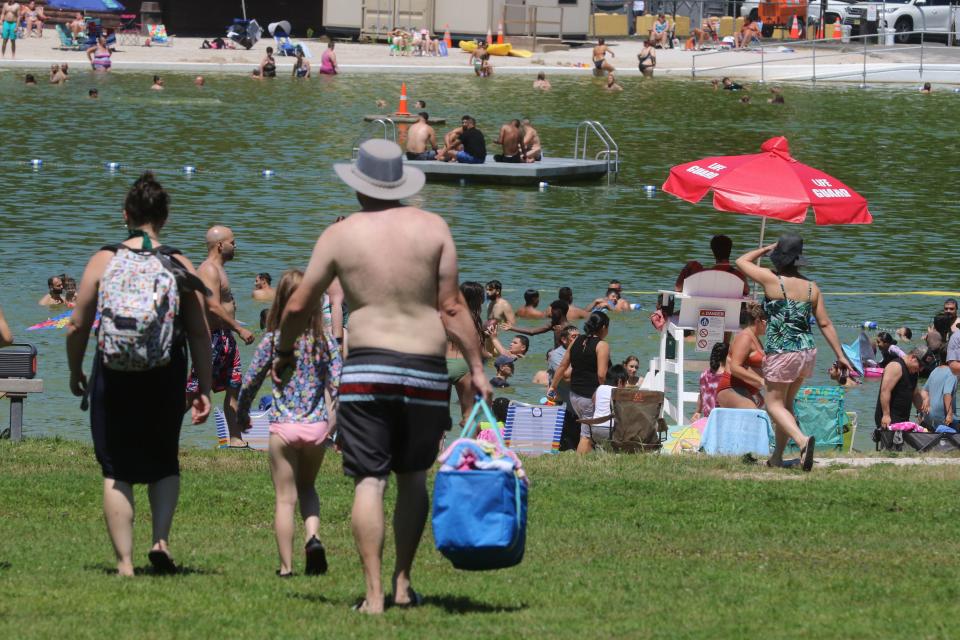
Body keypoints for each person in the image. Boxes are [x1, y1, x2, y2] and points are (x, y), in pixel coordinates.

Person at [273, 139, 490, 614]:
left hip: (367, 366)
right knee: (413, 477)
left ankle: (373, 598)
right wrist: (476, 367)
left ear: (358, 185)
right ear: (401, 185)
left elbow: (296, 304)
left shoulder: (341, 235)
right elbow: (453, 307)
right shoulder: (433, 228)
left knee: (369, 481)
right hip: (425, 368)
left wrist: (285, 352)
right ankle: (403, 585)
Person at [66, 172, 213, 577]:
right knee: (164, 460)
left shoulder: (104, 259)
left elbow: (77, 325)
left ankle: (125, 563)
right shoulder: (178, 262)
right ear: (163, 218)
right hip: (165, 373)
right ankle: (160, 541)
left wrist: (76, 369)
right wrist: (202, 384)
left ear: (125, 215)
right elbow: (200, 330)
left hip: (113, 373)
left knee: (116, 468)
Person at [237, 269, 341, 578]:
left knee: (285, 498)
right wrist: (340, 424)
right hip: (316, 428)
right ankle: (313, 537)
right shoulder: (324, 342)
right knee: (308, 488)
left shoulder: (274, 340)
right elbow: (339, 385)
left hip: (283, 428)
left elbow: (251, 381)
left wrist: (242, 413)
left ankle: (286, 567)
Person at [736, 233, 853, 471]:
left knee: (773, 405)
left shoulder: (772, 281)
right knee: (786, 405)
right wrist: (840, 355)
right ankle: (777, 457)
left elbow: (741, 261)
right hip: (807, 352)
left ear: (779, 258)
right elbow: (825, 324)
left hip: (782, 351)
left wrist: (766, 248)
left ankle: (802, 441)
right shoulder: (812, 288)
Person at [186, 226, 255, 448]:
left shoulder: (220, 269)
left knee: (234, 388)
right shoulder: (209, 270)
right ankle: (158, 433)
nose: (235, 246)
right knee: (193, 394)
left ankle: (236, 440)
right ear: (219, 245)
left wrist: (232, 331)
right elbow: (212, 306)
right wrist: (239, 328)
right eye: (232, 242)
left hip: (225, 338)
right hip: (212, 339)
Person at [547, 312, 611, 435]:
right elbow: (601, 375)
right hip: (590, 396)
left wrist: (553, 387)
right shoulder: (602, 345)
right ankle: (582, 454)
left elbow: (562, 366)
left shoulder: (576, 341)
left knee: (588, 432)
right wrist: (604, 395)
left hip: (574, 396)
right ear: (603, 327)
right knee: (587, 436)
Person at [446, 281, 486, 424]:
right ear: (477, 300)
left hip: (442, 364)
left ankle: (439, 447)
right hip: (463, 366)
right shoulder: (474, 320)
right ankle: (469, 446)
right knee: (468, 417)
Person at [716, 302, 766, 410]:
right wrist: (760, 380)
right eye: (769, 323)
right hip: (731, 388)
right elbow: (735, 367)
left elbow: (748, 366)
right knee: (754, 416)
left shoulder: (755, 338)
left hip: (743, 390)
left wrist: (757, 393)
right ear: (758, 321)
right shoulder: (745, 337)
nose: (772, 327)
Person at [577, 364, 629, 452]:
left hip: (595, 429)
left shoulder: (600, 387)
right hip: (609, 430)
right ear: (620, 382)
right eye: (625, 382)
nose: (626, 385)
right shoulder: (617, 392)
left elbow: (593, 400)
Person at [676, 234, 750, 294]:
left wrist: (687, 267)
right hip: (729, 312)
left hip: (699, 311)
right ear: (730, 250)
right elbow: (746, 292)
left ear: (712, 251)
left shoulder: (700, 274)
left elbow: (678, 288)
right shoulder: (739, 276)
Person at [876, 347, 924, 429]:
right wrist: (886, 415)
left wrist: (922, 412)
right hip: (889, 419)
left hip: (903, 420)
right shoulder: (896, 366)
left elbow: (915, 394)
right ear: (913, 357)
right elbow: (885, 391)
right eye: (920, 366)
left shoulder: (914, 372)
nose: (921, 369)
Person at [920, 348, 956, 430]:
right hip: (942, 416)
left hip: (929, 415)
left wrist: (926, 399)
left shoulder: (935, 370)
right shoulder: (952, 373)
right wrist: (949, 414)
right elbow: (947, 394)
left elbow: (924, 391)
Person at [692, 342, 728, 421]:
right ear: (727, 357)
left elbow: (701, 396)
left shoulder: (704, 374)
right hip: (723, 421)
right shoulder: (728, 377)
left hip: (707, 421)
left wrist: (697, 412)